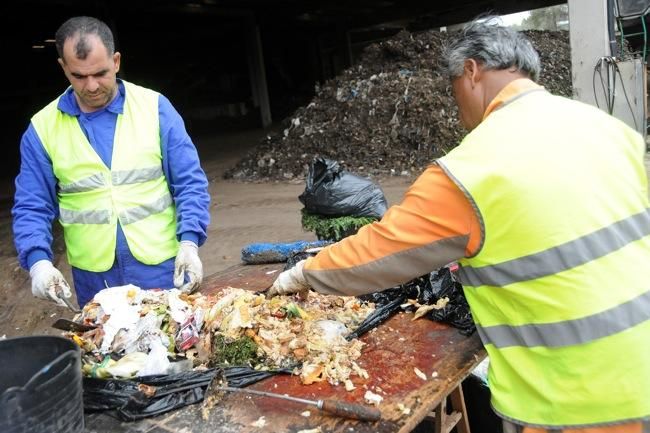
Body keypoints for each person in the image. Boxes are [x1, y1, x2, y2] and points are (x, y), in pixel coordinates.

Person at [267, 17, 650, 432]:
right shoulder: (610, 130)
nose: (458, 109)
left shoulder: (473, 168)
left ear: (471, 71)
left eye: (453, 92)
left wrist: (303, 273)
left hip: (575, 396)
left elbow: (379, 252)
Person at [12, 16, 210, 308]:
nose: (91, 86)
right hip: (94, 277)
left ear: (116, 61)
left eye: (100, 73)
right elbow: (31, 205)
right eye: (79, 76)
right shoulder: (42, 128)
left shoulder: (155, 108)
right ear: (63, 68)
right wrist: (38, 262)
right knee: (107, 351)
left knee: (172, 348)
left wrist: (190, 242)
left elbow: (190, 183)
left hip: (161, 267)